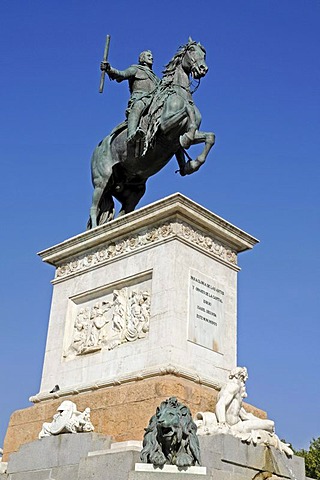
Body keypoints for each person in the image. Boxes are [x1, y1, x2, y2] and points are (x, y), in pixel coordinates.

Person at [101, 50, 160, 147]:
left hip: (154, 100)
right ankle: (131, 135)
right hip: (140, 98)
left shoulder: (155, 78)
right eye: (148, 55)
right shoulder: (136, 69)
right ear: (142, 58)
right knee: (138, 107)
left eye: (152, 56)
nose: (151, 57)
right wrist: (109, 69)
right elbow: (122, 74)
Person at [215, 367, 275, 435]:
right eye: (244, 380)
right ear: (240, 377)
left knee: (268, 425)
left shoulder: (233, 392)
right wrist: (222, 423)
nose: (244, 384)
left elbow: (245, 416)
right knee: (270, 424)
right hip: (234, 427)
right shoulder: (233, 387)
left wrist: (261, 422)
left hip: (238, 424)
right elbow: (220, 404)